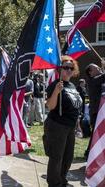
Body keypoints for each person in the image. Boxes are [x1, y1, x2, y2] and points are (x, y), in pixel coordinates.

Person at [43, 55, 82, 187]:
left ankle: (62, 180)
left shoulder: (72, 85)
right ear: (60, 69)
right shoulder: (55, 84)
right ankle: (54, 183)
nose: (69, 70)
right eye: (66, 67)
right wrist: (56, 92)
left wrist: (78, 125)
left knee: (68, 157)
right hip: (57, 126)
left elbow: (75, 107)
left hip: (70, 127)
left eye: (71, 67)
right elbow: (50, 106)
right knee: (56, 157)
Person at [84, 62, 105, 158]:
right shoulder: (91, 81)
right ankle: (89, 153)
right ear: (90, 72)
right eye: (97, 68)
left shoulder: (99, 80)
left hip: (102, 111)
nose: (99, 68)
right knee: (95, 134)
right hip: (96, 113)